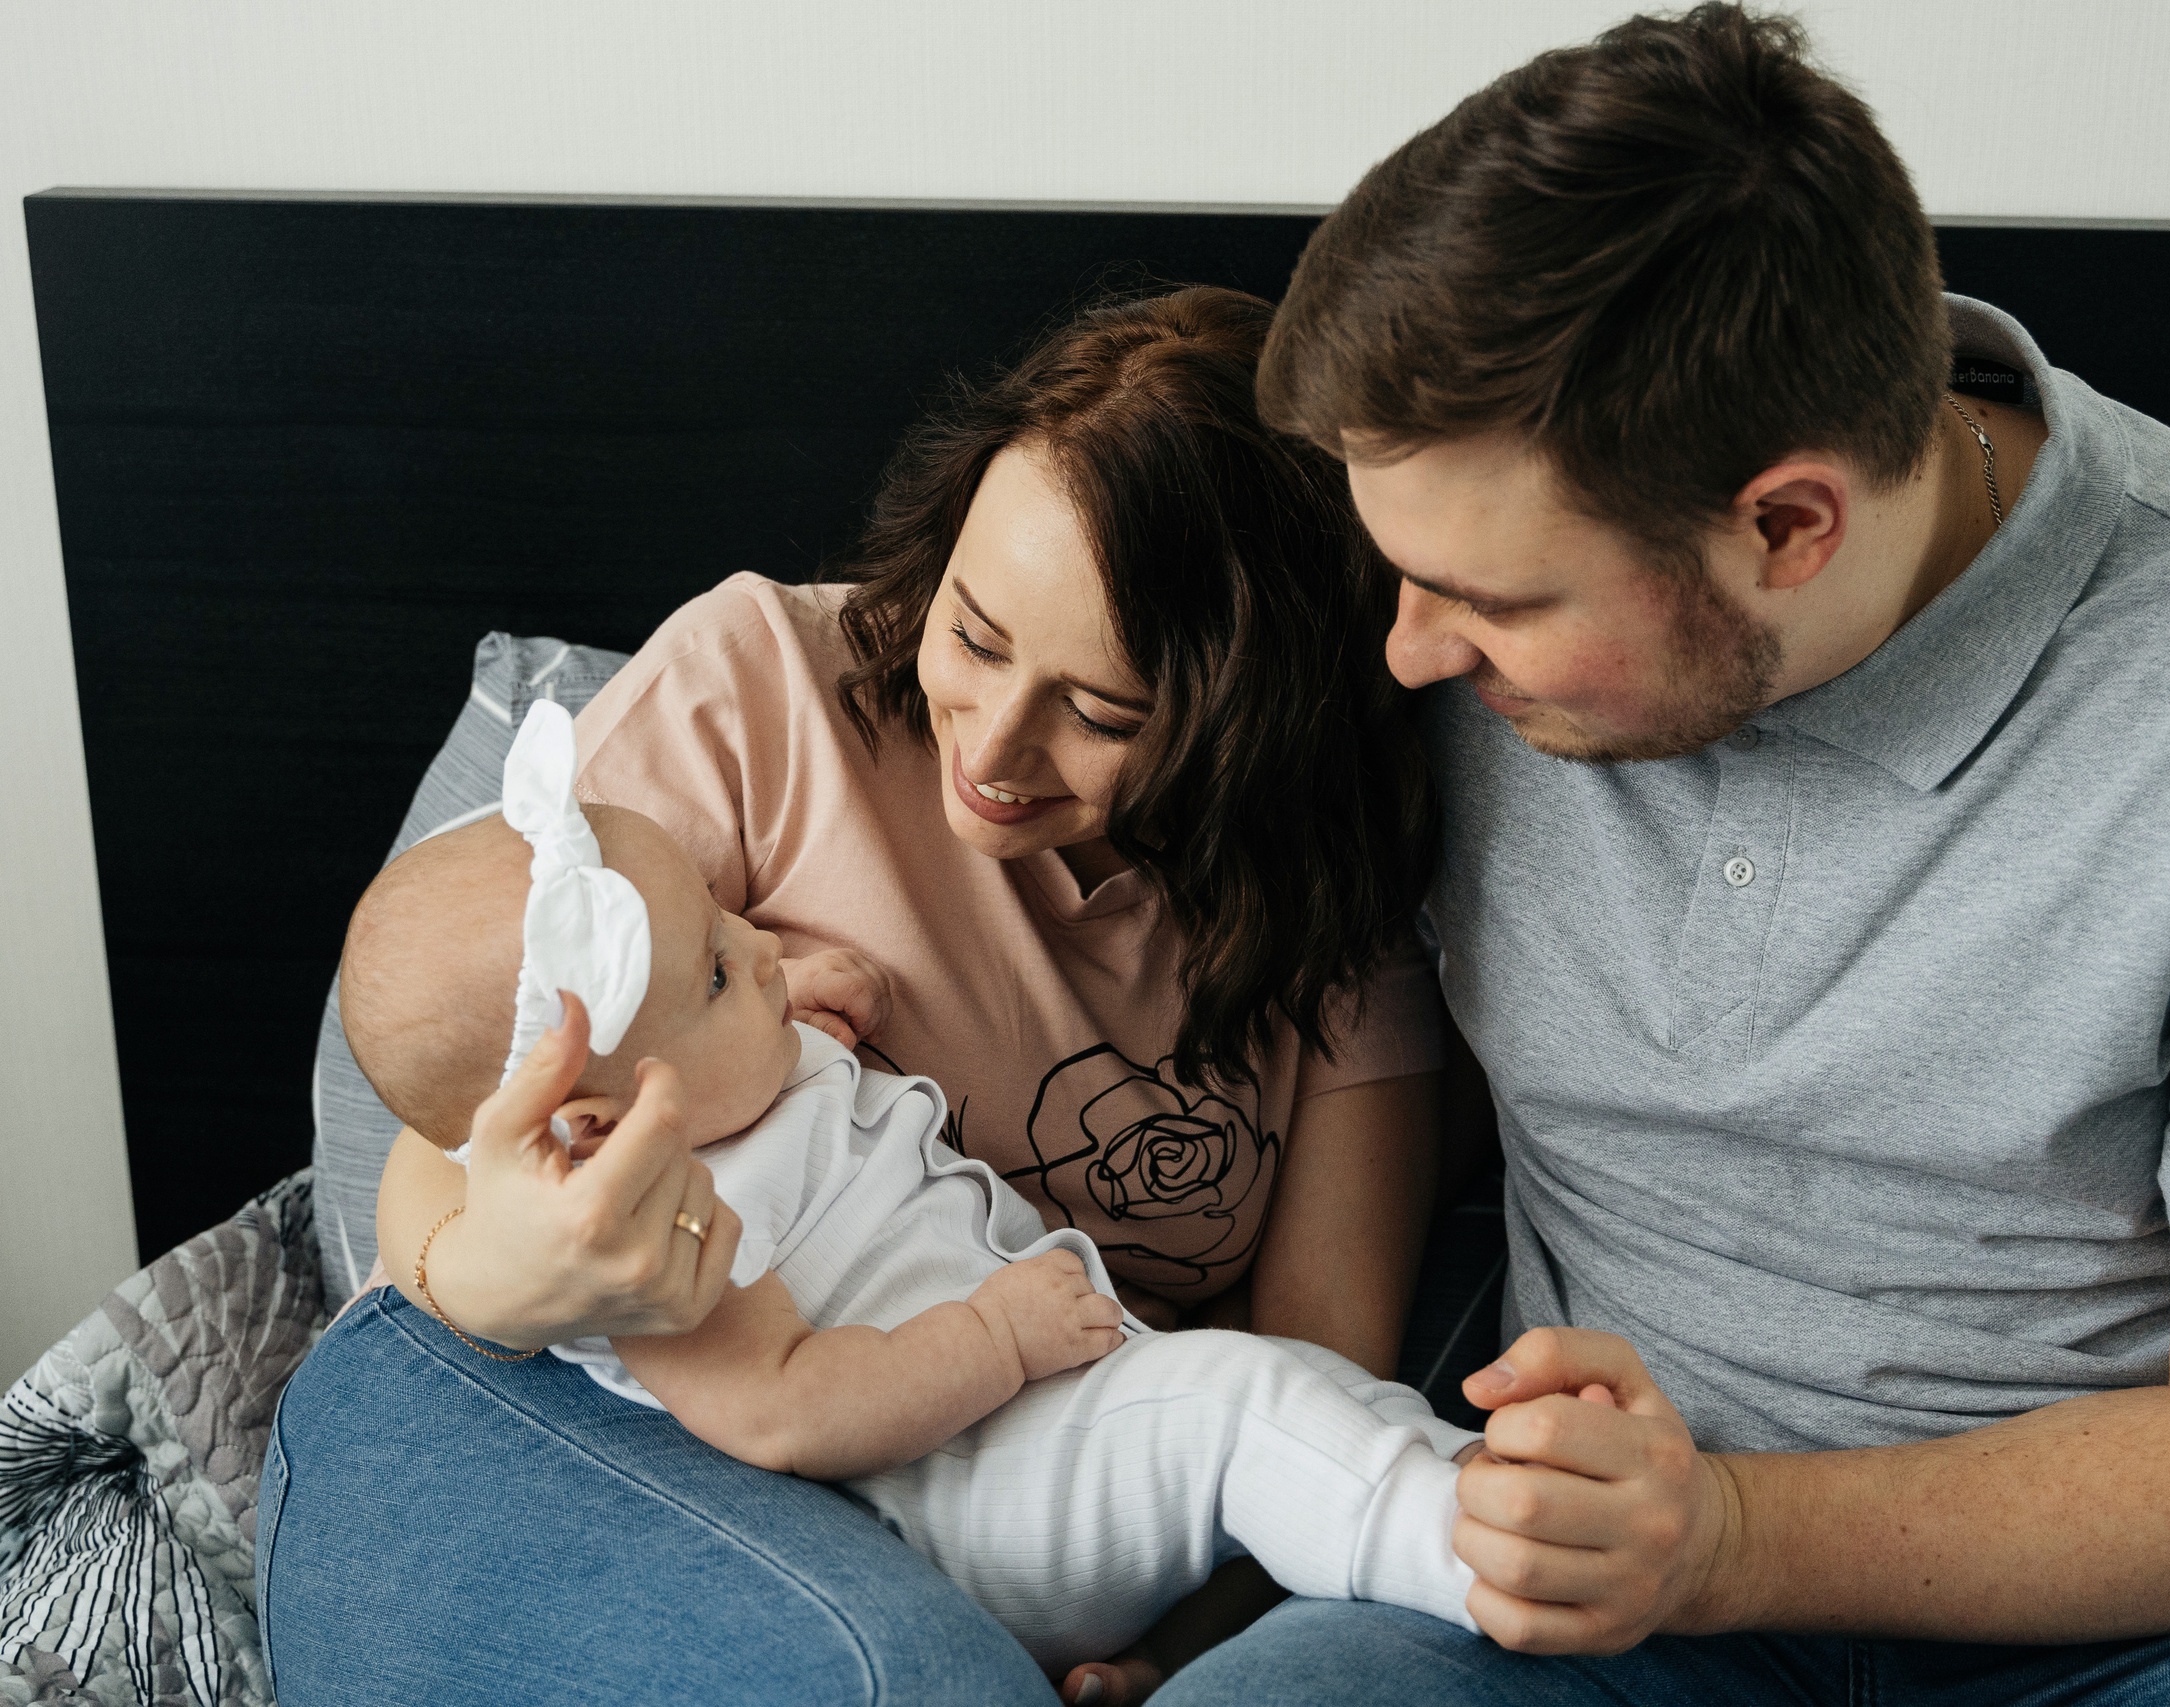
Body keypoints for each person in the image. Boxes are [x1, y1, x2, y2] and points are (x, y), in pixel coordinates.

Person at [1150, 7, 2170, 1705]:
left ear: (1789, 525)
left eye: (1500, 602)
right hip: (1582, 1602)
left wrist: (1729, 1534)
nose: (1407, 654)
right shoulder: (1453, 595)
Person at [260, 287, 1447, 1705]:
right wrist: (505, 1276)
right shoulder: (761, 687)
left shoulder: (1330, 902)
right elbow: (464, 1113)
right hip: (549, 1401)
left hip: (1003, 1478)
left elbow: (1314, 1369)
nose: (996, 748)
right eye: (976, 632)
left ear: (1259, 718)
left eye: (1105, 711)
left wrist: (1178, 1655)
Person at [326, 701, 1479, 1671]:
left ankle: (1488, 1497)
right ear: (596, 1122)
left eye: (728, 913)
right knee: (1234, 1412)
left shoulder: (715, 1084)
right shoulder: (654, 1234)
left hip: (1058, 1410)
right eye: (723, 968)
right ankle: (1482, 1565)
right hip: (976, 1491)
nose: (762, 941)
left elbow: (733, 1051)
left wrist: (780, 1006)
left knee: (1311, 1393)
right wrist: (993, 1339)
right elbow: (783, 1408)